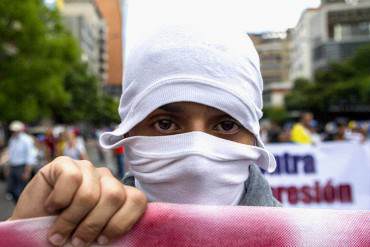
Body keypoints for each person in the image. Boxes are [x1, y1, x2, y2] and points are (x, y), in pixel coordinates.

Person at [9, 23, 279, 246]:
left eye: (226, 125)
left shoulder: (303, 237)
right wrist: (25, 235)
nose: (197, 154)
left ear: (254, 136)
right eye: (165, 124)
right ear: (128, 130)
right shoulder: (80, 236)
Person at [6, 121, 35, 202]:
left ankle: (24, 208)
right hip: (13, 167)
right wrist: (8, 168)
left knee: (20, 191)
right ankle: (19, 206)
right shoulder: (12, 139)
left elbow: (30, 156)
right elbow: (11, 154)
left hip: (22, 167)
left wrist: (27, 171)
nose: (14, 132)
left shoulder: (26, 140)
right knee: (11, 190)